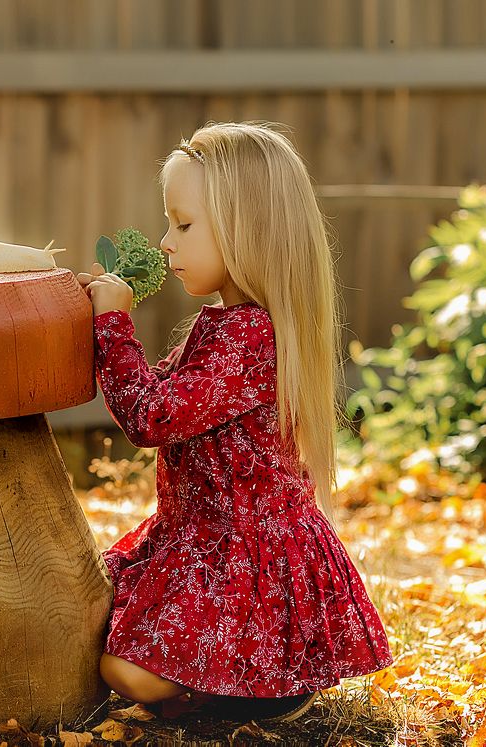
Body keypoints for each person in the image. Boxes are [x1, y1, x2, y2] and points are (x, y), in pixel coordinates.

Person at [75, 121, 393, 722]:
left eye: (185, 224)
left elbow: (152, 415)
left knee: (122, 669)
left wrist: (112, 326)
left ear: (249, 232)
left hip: (242, 559)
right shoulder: (219, 324)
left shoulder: (251, 336)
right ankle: (237, 676)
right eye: (169, 222)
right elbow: (158, 391)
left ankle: (266, 680)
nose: (166, 241)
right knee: (90, 610)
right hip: (197, 540)